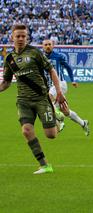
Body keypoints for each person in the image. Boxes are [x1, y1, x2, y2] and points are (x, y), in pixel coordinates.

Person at [0, 24, 67, 174]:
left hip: (41, 98)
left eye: (24, 36)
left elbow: (51, 70)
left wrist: (58, 92)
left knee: (51, 135)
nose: (21, 38)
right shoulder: (9, 59)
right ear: (12, 37)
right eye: (18, 36)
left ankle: (58, 118)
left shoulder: (35, 52)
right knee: (26, 131)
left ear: (27, 37)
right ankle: (44, 165)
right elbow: (6, 82)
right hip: (23, 100)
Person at [42, 39, 90, 136]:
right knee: (65, 111)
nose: (47, 46)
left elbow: (68, 68)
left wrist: (72, 80)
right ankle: (83, 123)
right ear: (42, 46)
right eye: (45, 44)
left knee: (48, 99)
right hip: (49, 86)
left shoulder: (59, 56)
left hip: (60, 84)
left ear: (53, 45)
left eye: (49, 44)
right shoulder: (40, 58)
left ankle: (59, 121)